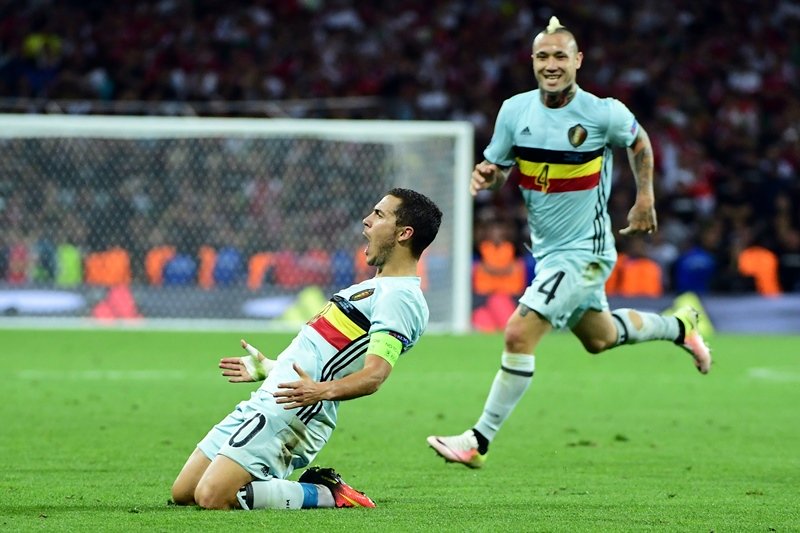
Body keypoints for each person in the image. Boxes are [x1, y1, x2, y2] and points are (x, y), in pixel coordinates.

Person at [427, 16, 711, 469]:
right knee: (600, 338)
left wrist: (644, 198)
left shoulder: (603, 113)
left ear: (578, 61)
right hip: (548, 252)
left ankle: (477, 440)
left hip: (586, 252)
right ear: (533, 62)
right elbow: (500, 168)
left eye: (560, 56)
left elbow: (639, 143)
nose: (551, 64)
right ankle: (681, 328)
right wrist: (488, 175)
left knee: (519, 332)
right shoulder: (514, 111)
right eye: (543, 56)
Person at [171, 188, 442, 509]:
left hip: (298, 409)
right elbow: (329, 355)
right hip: (273, 394)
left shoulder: (400, 297)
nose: (367, 221)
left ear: (404, 233)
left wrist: (320, 391)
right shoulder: (371, 287)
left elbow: (374, 375)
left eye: (379, 215)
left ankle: (329, 494)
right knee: (185, 492)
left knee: (213, 496)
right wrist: (271, 368)